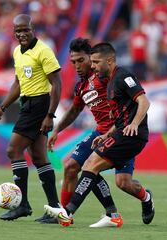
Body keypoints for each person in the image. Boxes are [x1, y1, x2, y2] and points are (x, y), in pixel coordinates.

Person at [44, 42, 155, 227]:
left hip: (123, 133)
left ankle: (145, 198)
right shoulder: (81, 87)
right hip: (104, 132)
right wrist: (57, 130)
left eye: (82, 60)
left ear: (92, 58)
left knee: (123, 182)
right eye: (73, 62)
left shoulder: (108, 77)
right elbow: (74, 110)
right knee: (73, 166)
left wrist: (133, 124)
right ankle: (66, 213)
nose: (78, 65)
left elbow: (141, 100)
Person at [0, 14, 62, 222]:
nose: (22, 34)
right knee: (39, 156)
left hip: (39, 105)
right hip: (27, 104)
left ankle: (22, 205)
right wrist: (2, 106)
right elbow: (18, 83)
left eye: (25, 30)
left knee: (13, 150)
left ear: (33, 29)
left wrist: (50, 114)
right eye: (18, 31)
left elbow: (56, 84)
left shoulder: (43, 51)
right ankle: (56, 210)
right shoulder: (16, 52)